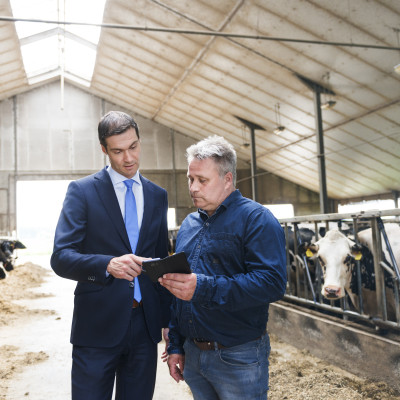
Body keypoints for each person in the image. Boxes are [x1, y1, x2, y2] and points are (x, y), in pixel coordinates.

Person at [51, 111, 172, 400]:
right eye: (118, 151)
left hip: (145, 327)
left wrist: (168, 322)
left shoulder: (158, 195)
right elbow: (61, 256)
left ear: (140, 142)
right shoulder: (82, 192)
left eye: (133, 147)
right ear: (104, 149)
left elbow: (159, 259)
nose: (128, 158)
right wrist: (107, 264)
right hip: (96, 326)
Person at [160, 135, 287, 400]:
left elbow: (272, 283)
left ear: (227, 179)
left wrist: (203, 286)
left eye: (202, 180)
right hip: (193, 355)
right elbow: (179, 290)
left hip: (238, 355)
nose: (193, 187)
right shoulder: (188, 225)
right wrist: (175, 345)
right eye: (190, 179)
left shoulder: (256, 219)